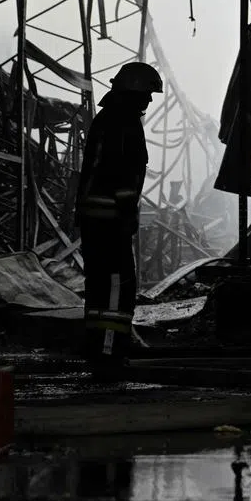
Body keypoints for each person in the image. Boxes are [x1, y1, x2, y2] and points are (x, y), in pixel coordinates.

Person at [75, 61, 162, 375]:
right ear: (132, 92)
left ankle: (98, 347)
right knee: (117, 286)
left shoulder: (107, 119)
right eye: (147, 94)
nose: (150, 101)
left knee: (99, 286)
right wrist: (127, 214)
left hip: (95, 218)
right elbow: (122, 174)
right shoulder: (123, 123)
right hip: (109, 218)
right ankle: (109, 352)